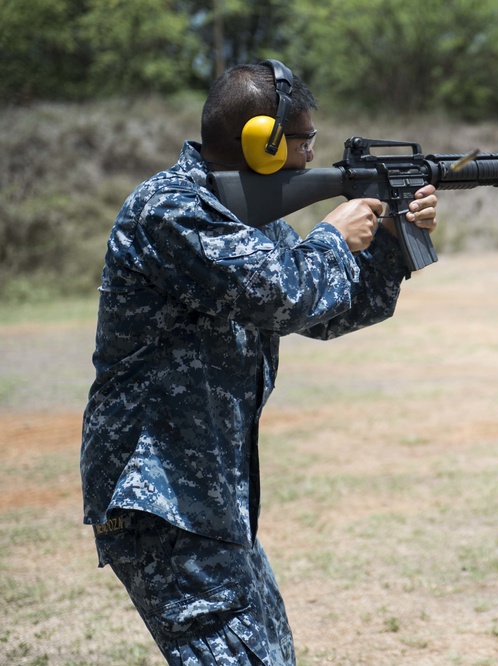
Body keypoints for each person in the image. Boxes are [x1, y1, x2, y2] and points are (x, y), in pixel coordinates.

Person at [80, 60, 438, 665]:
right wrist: (332, 234)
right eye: (302, 141)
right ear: (259, 142)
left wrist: (392, 241)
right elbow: (284, 293)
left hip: (208, 496)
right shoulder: (170, 210)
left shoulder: (243, 220)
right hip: (159, 494)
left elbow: (325, 313)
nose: (310, 154)